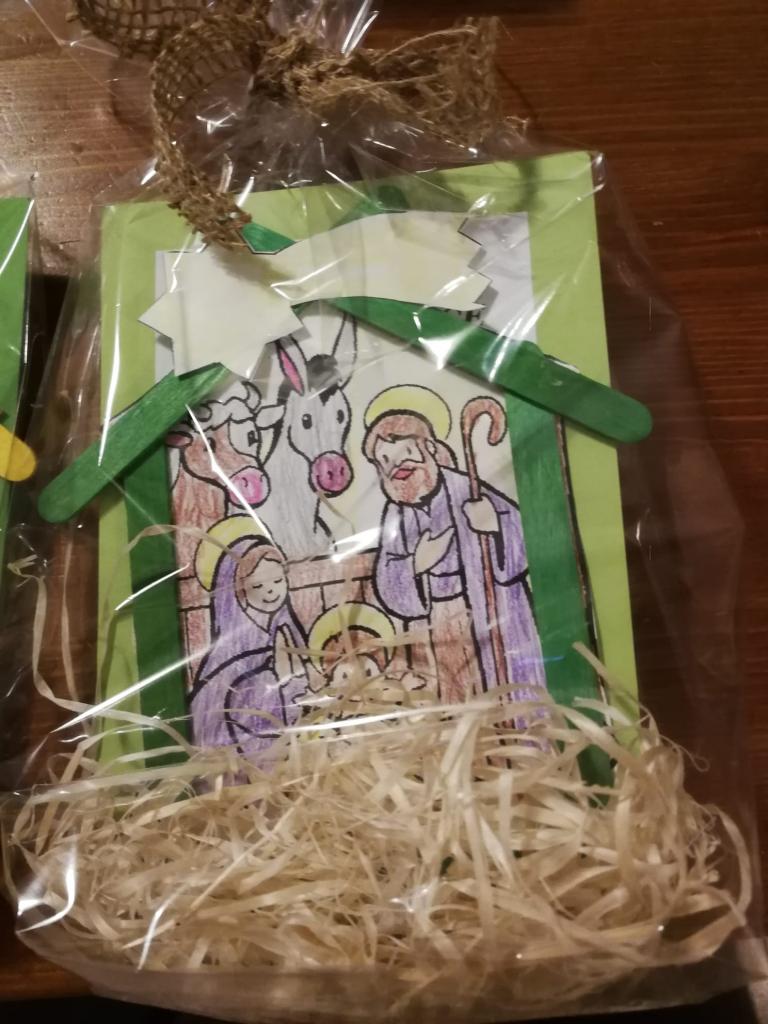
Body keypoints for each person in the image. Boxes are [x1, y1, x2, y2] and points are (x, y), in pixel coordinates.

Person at [363, 385, 546, 702]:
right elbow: (387, 579)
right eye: (385, 460)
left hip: (493, 617)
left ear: (430, 448)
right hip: (441, 630)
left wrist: (494, 526)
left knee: (510, 693)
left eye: (404, 453)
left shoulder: (468, 489)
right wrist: (416, 564)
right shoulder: (395, 514)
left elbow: (524, 539)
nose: (396, 466)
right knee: (458, 698)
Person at [190, 533, 308, 758]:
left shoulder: (287, 631)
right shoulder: (229, 653)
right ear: (235, 591)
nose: (271, 591)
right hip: (244, 752)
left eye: (278, 581)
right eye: (257, 585)